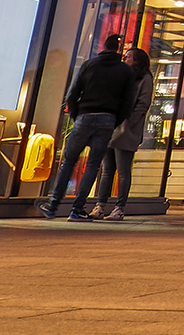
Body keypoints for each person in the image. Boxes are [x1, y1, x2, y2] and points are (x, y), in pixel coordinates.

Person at [40, 34, 134, 220]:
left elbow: (72, 93)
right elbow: (128, 102)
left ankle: (53, 205)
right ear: (119, 50)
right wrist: (115, 120)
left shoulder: (89, 65)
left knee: (69, 161)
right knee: (93, 164)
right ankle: (77, 209)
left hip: (84, 115)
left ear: (103, 46)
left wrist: (76, 115)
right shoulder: (125, 71)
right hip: (108, 118)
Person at [90, 47, 153, 221]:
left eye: (128, 57)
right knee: (107, 170)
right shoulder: (123, 75)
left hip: (126, 130)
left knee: (123, 170)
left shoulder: (144, 79)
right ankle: (100, 205)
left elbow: (143, 104)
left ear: (137, 61)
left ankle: (119, 208)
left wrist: (128, 121)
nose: (125, 59)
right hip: (112, 127)